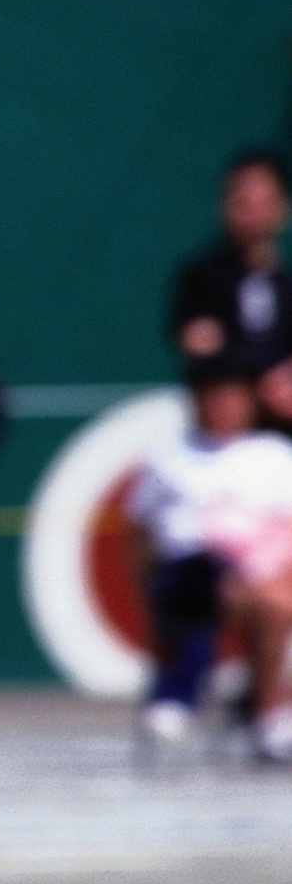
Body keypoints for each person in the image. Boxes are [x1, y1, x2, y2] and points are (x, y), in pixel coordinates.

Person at [126, 348, 292, 760]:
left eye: (234, 396)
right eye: (215, 396)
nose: (225, 407)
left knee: (277, 599)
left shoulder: (273, 456)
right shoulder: (171, 459)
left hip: (260, 573)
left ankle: (264, 709)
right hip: (189, 571)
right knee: (266, 599)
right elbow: (140, 529)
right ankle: (242, 706)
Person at [171, 148, 292, 369]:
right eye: (239, 199)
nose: (248, 211)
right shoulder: (203, 278)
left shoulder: (285, 285)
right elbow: (199, 343)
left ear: (282, 206)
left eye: (260, 200)